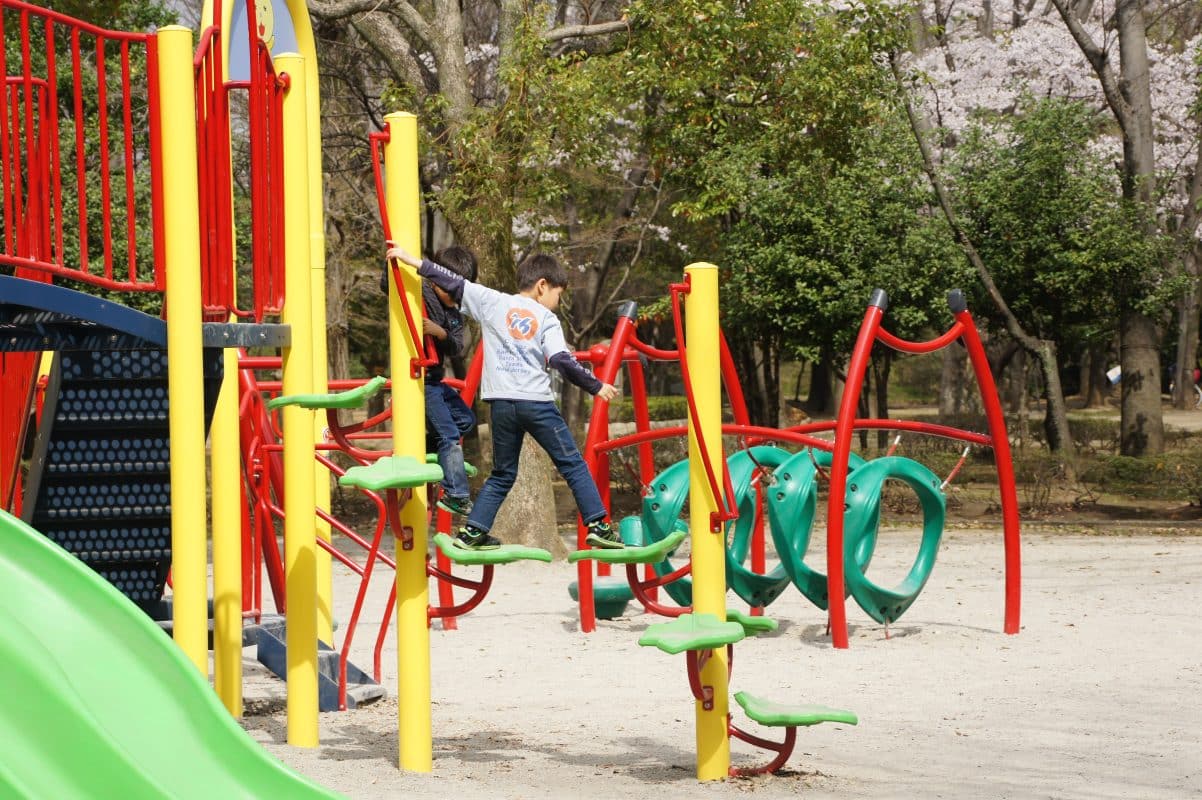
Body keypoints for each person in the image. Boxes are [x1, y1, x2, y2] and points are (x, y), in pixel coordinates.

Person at [386, 242, 623, 551]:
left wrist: (410, 259)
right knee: (573, 465)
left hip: (500, 405)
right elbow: (561, 360)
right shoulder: (546, 319)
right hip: (537, 404)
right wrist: (596, 386)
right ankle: (599, 525)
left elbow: (450, 280)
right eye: (558, 294)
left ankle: (473, 533)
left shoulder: (493, 302)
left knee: (502, 473)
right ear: (542, 286)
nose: (557, 301)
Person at [383, 245, 477, 517]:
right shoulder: (421, 291)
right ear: (437, 280)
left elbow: (457, 346)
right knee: (449, 434)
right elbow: (390, 284)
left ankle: (419, 447)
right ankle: (456, 493)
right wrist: (391, 260)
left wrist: (440, 333)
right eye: (450, 288)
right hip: (418, 377)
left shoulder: (454, 313)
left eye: (460, 289)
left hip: (436, 378)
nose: (454, 295)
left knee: (466, 421)